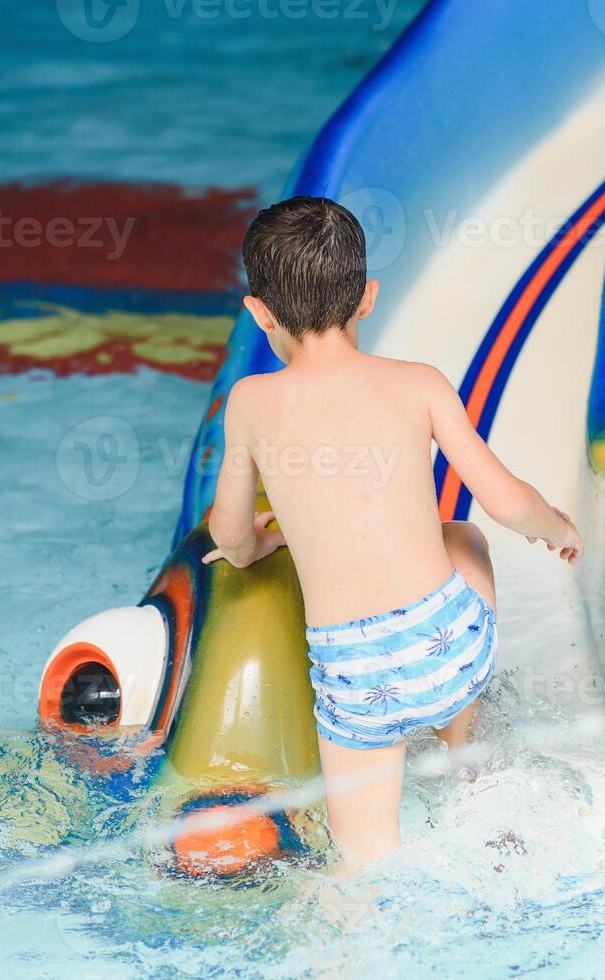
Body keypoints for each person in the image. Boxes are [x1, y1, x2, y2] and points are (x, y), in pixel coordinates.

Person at [202, 196, 581, 868]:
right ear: (369, 298)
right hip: (448, 650)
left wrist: (260, 543)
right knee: (460, 535)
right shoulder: (419, 384)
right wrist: (555, 527)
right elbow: (506, 501)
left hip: (356, 677)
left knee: (364, 858)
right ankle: (465, 746)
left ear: (258, 314)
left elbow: (229, 534)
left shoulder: (252, 404)